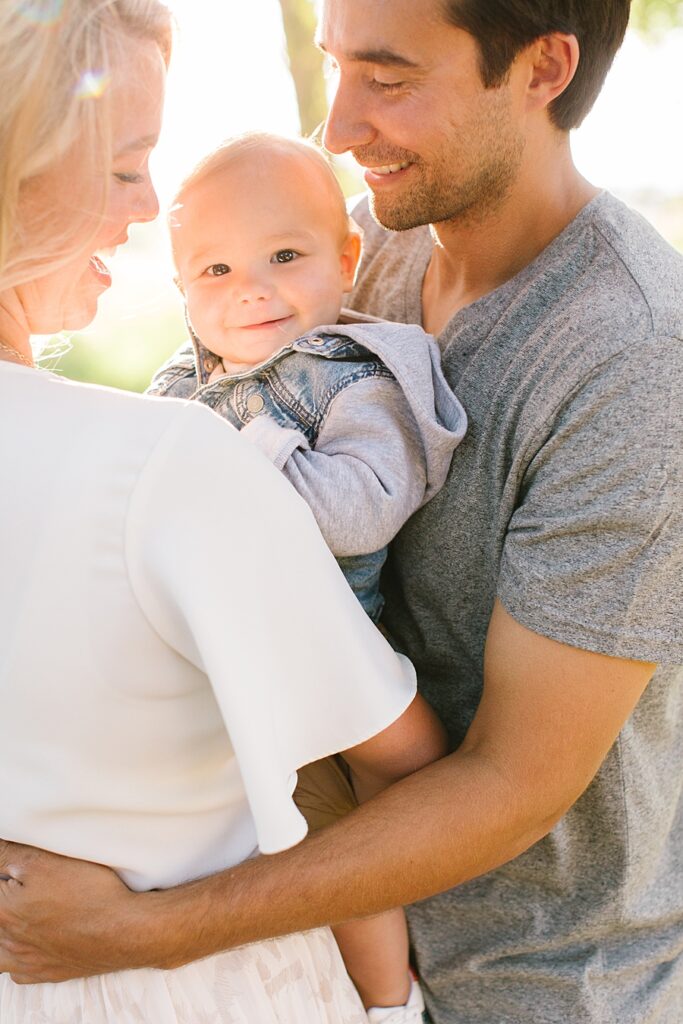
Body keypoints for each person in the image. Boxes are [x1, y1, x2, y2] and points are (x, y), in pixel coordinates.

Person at [1, 1, 682, 1023]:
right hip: (316, 948)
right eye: (335, 67)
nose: (339, 127)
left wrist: (142, 927)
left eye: (390, 80)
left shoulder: (629, 360)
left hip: (532, 985)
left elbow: (511, 781)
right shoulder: (349, 242)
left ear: (541, 68)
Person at [0, 2, 448, 1022]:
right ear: (18, 167)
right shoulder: (169, 461)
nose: (148, 200)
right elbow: (405, 759)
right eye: (124, 165)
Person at [145, 130, 465, 1021]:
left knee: (344, 845)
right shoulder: (181, 385)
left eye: (283, 255)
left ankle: (386, 1002)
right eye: (214, 271)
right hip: (218, 650)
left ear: (345, 259)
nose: (250, 286)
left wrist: (246, 466)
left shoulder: (355, 380)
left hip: (327, 659)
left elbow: (361, 507)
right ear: (180, 291)